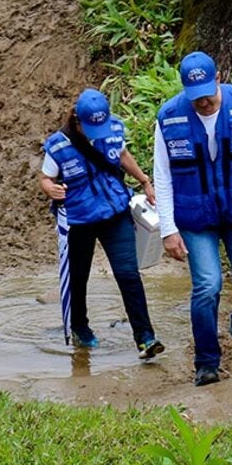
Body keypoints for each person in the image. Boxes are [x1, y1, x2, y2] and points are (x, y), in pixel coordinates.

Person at [153, 51, 232, 386]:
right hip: (196, 218)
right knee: (208, 286)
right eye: (196, 99)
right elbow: (163, 177)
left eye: (209, 96)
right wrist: (168, 229)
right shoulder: (168, 117)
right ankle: (207, 361)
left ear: (219, 79)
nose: (204, 103)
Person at [40, 88, 165, 358]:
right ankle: (80, 328)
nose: (99, 132)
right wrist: (50, 188)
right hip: (78, 219)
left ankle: (145, 337)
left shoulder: (114, 129)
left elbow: (122, 156)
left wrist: (145, 181)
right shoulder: (59, 145)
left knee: (128, 274)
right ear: (77, 121)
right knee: (79, 277)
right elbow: (45, 178)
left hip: (114, 213)